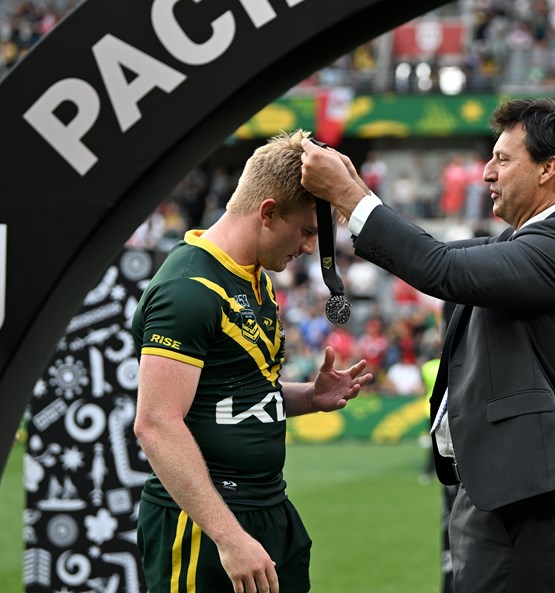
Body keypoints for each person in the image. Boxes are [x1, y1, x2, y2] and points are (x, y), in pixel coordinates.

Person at [301, 98, 555, 593]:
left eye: (503, 160)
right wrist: (353, 191)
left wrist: (347, 194)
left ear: (549, 169)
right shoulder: (530, 239)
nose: (486, 174)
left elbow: (441, 269)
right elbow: (436, 255)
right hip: (504, 485)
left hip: (532, 494)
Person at [132, 130, 374, 593]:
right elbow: (157, 423)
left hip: (268, 508)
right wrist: (228, 538)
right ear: (267, 212)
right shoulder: (188, 289)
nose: (309, 248)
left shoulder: (253, 278)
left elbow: (235, 394)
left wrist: (308, 397)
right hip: (205, 525)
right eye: (306, 231)